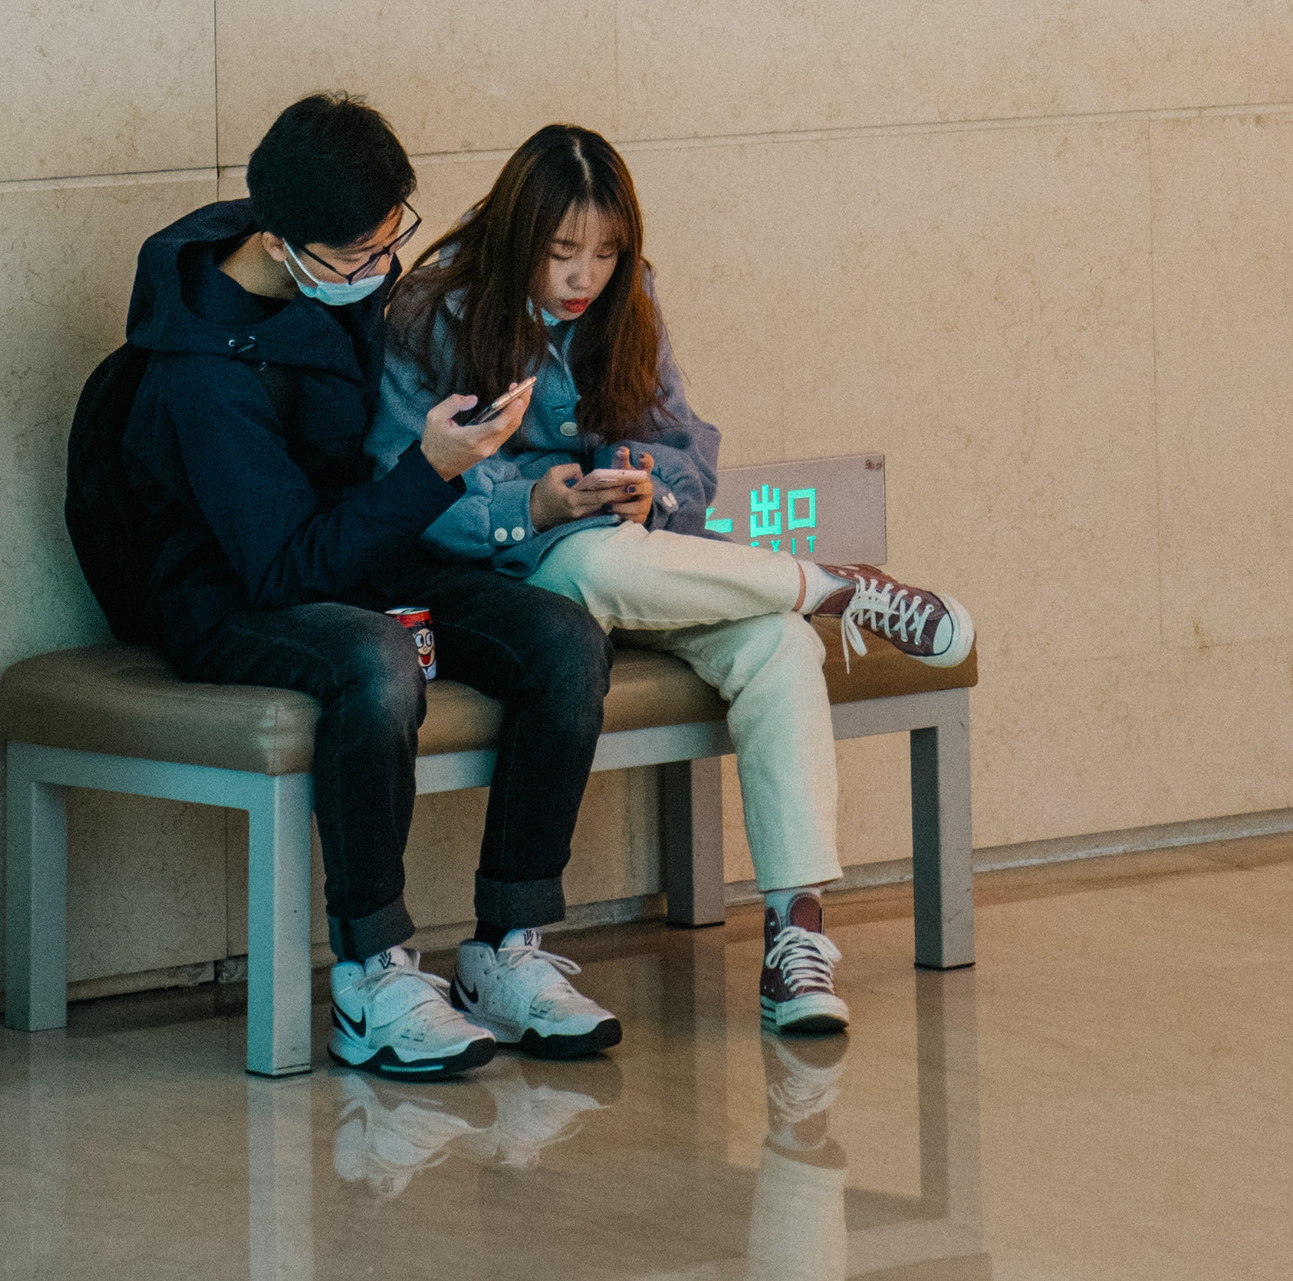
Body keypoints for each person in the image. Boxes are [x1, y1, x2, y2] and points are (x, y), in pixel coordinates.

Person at [371, 124, 971, 1044]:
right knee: (598, 559)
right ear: (518, 233)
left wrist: (649, 482)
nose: (585, 276)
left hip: (640, 560)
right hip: (506, 576)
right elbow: (404, 486)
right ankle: (828, 584)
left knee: (777, 643)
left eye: (607, 252)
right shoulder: (434, 310)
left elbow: (688, 446)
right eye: (562, 251)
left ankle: (795, 934)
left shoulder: (628, 298)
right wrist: (535, 502)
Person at [113, 90, 622, 1076]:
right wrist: (430, 469)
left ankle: (506, 948)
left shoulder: (331, 272)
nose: (380, 273)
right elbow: (283, 566)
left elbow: (358, 504)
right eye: (360, 257)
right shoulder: (201, 367)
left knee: (562, 640)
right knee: (374, 658)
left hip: (359, 551)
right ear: (279, 243)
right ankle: (370, 972)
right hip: (231, 597)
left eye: (392, 243)